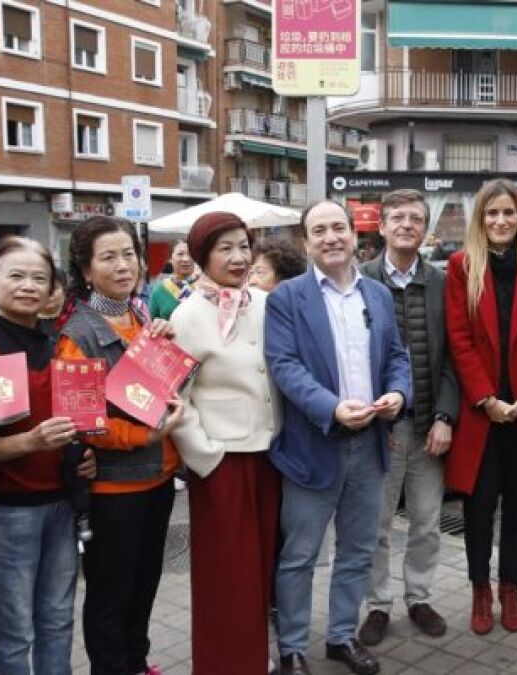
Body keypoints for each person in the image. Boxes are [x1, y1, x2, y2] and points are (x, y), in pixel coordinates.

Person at [265, 200, 411, 675]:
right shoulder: (286, 298)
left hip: (370, 446)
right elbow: (284, 366)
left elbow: (397, 355)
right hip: (312, 447)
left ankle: (341, 637)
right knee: (300, 556)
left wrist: (398, 393)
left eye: (338, 228)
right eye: (319, 230)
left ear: (353, 234)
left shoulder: (378, 295)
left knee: (358, 550)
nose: (330, 237)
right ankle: (292, 647)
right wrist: (331, 408)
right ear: (306, 242)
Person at [0, 237, 95, 675]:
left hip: (62, 506)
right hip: (2, 512)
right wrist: (31, 442)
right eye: (16, 276)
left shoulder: (62, 348)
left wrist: (84, 454)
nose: (29, 285)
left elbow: (78, 425)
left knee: (57, 621)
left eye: (39, 278)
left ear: (53, 289)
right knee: (12, 634)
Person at [55, 216, 185, 675]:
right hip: (115, 490)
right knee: (111, 596)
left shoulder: (141, 317)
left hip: (158, 478)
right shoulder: (77, 336)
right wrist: (147, 436)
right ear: (86, 270)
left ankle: (137, 663)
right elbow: (82, 422)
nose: (123, 265)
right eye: (108, 257)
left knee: (145, 586)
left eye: (129, 254)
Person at [444, 178, 517, 635]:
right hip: (482, 412)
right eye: (492, 213)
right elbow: (459, 338)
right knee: (477, 511)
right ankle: (480, 589)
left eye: (508, 212)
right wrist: (485, 398)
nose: (500, 220)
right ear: (480, 218)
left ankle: (510, 587)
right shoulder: (462, 265)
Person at [169, 213, 282, 674]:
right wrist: (205, 456)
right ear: (202, 257)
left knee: (261, 565)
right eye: (225, 249)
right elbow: (177, 397)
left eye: (243, 246)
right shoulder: (186, 315)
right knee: (226, 571)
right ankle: (226, 663)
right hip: (222, 460)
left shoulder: (267, 302)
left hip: (270, 454)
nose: (238, 257)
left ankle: (254, 652)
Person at [358, 190, 459, 646]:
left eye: (415, 219)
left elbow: (454, 357)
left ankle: (418, 597)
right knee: (375, 525)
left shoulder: (443, 282)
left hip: (428, 426)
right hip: (377, 429)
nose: (406, 225)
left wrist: (445, 416)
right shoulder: (360, 281)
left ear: (425, 229)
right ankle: (377, 605)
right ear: (381, 226)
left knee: (426, 522)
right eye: (396, 218)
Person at [148, 240, 196, 320]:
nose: (186, 259)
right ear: (170, 259)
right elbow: (151, 322)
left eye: (190, 254)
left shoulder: (203, 288)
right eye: (180, 254)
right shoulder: (159, 291)